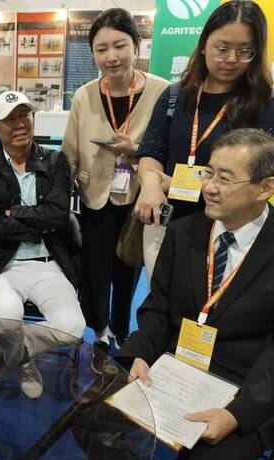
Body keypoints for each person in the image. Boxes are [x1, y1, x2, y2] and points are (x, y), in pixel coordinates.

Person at [117, 128, 274, 460]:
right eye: (208, 173)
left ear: (266, 187)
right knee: (96, 426)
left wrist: (236, 414)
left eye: (224, 179)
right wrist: (141, 354)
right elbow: (157, 309)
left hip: (246, 386)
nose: (208, 187)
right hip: (175, 369)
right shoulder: (182, 232)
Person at [134, 0, 274, 282]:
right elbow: (152, 151)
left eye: (244, 51)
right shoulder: (175, 96)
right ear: (204, 45)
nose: (231, 59)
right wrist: (152, 183)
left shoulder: (267, 105)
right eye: (222, 48)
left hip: (229, 228)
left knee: (215, 303)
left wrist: (175, 184)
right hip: (166, 220)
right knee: (162, 298)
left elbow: (262, 175)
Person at [61, 8, 169, 362]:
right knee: (95, 271)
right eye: (101, 48)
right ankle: (99, 331)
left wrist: (136, 151)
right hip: (95, 196)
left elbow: (166, 150)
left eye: (119, 45)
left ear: (136, 45)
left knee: (128, 269)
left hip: (139, 198)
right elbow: (70, 151)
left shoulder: (162, 92)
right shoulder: (85, 95)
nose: (111, 56)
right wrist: (58, 194)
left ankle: (121, 331)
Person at [0, 91, 86, 399]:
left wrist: (13, 213)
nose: (20, 124)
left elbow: (57, 216)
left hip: (49, 264)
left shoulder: (54, 160)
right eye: (10, 119)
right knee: (7, 315)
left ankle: (7, 351)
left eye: (24, 115)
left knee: (73, 328)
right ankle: (23, 363)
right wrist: (37, 226)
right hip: (2, 264)